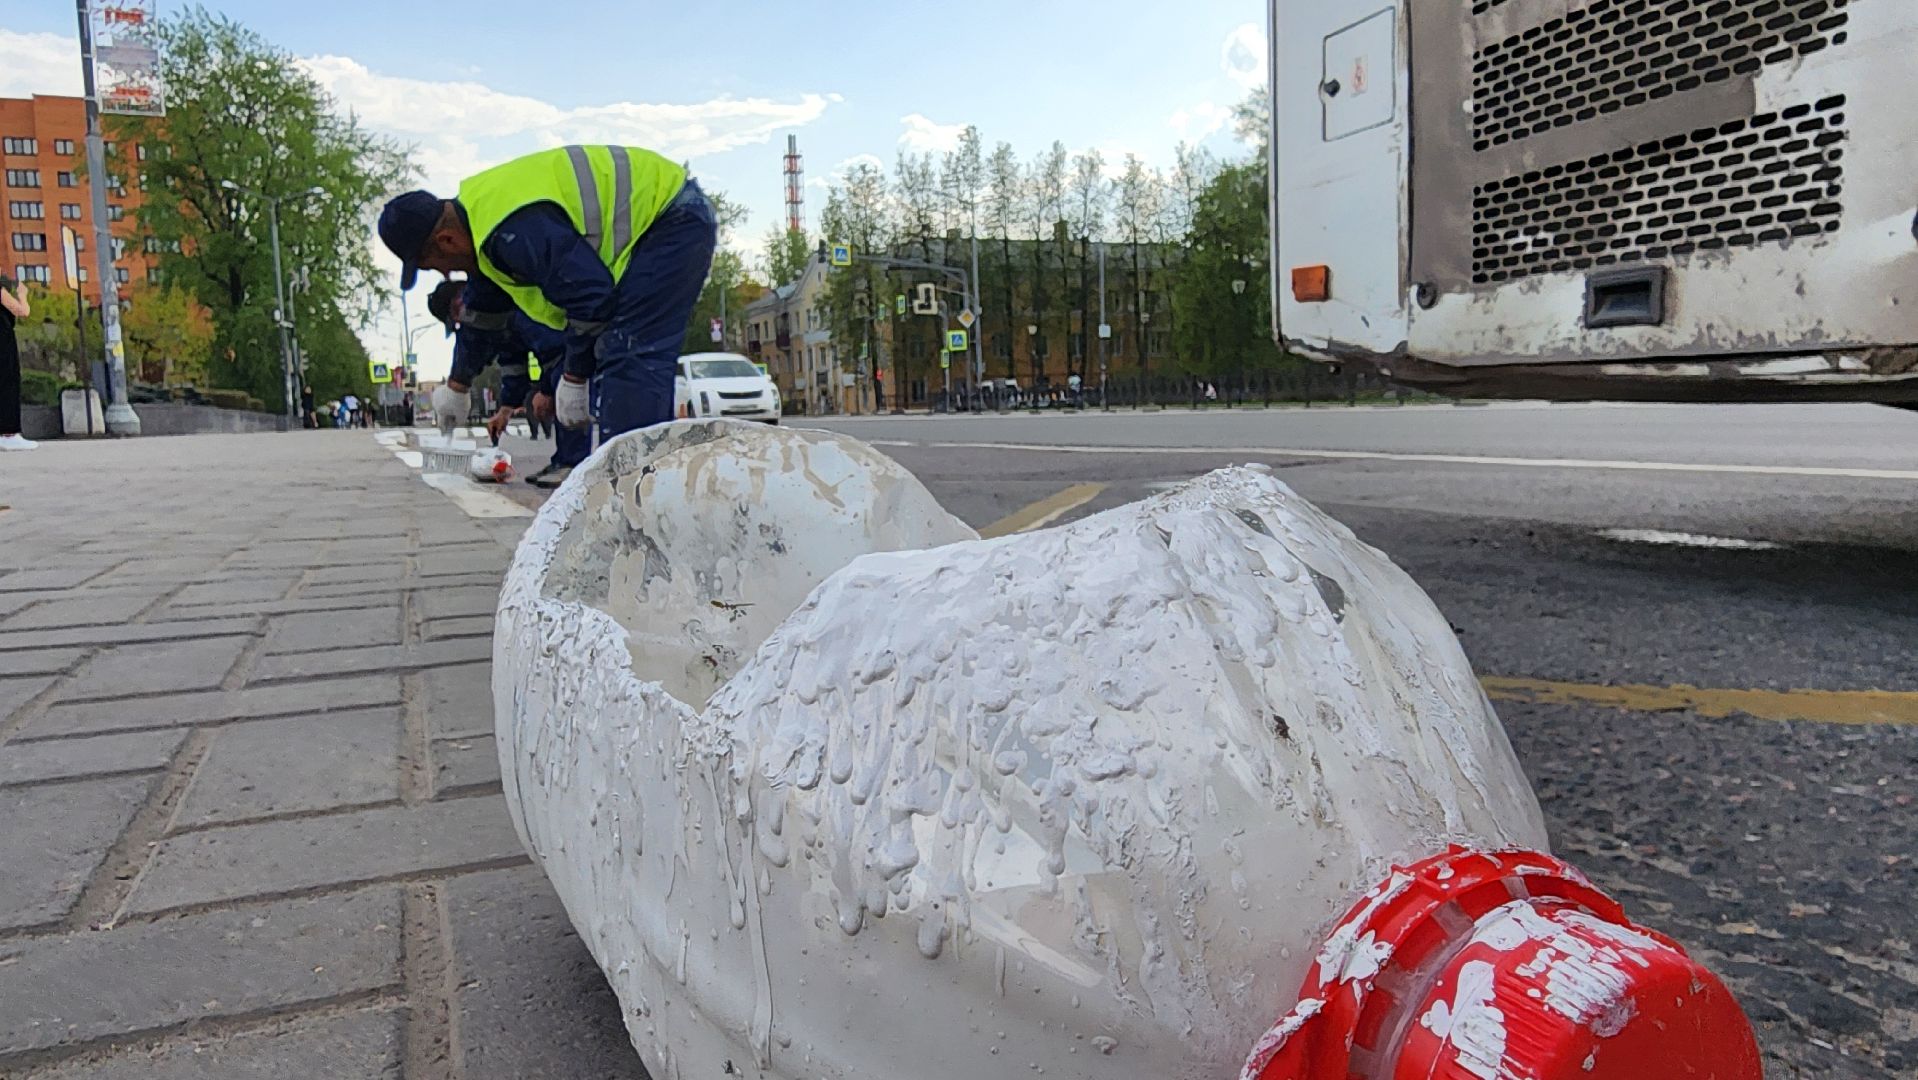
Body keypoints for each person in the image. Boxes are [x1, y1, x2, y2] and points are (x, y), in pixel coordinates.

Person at [378, 145, 717, 442]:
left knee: (630, 351)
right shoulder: (484, 228)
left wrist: (574, 376)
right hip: (664, 214)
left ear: (447, 241)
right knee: (620, 352)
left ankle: (634, 484)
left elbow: (590, 296)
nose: (445, 275)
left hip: (671, 217)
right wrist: (457, 386)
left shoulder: (512, 231)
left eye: (434, 265)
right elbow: (482, 317)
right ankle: (627, 475)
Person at [427, 279, 586, 489]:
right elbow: (513, 365)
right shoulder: (502, 320)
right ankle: (563, 461)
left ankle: (573, 464)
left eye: (457, 319)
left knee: (567, 394)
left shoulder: (520, 305)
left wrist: (547, 391)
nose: (463, 325)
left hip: (579, 349)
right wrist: (505, 409)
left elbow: (557, 349)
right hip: (564, 354)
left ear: (458, 305)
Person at [0, 275, 32, 451]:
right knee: (8, 383)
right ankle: (9, 433)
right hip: (3, 340)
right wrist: (22, 295)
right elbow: (22, 311)